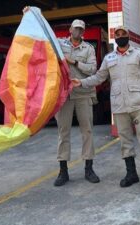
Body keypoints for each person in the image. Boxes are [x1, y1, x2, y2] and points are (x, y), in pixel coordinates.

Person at [72, 26, 140, 189]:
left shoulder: (139, 54)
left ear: (128, 37)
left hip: (139, 103)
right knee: (125, 141)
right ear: (114, 38)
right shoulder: (109, 58)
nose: (120, 36)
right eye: (117, 35)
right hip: (119, 106)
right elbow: (100, 77)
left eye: (123, 34)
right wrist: (82, 82)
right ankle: (131, 174)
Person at [53, 19, 100, 186]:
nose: (78, 32)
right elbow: (42, 38)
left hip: (83, 93)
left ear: (83, 32)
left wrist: (73, 62)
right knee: (63, 132)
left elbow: (92, 69)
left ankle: (89, 168)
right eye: (76, 28)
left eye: (81, 30)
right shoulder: (58, 44)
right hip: (64, 95)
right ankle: (63, 171)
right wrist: (31, 13)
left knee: (87, 131)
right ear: (70, 29)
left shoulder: (88, 48)